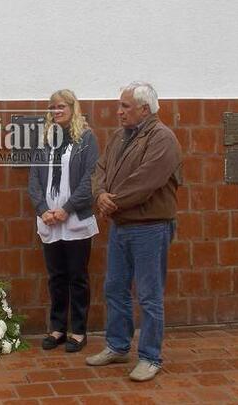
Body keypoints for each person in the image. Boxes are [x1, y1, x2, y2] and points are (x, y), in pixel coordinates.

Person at [85, 81, 181, 381]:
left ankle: (150, 357)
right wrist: (99, 194)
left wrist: (111, 203)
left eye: (125, 106)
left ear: (144, 108)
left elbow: (145, 182)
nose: (119, 112)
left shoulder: (163, 139)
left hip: (150, 228)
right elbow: (99, 169)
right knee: (115, 288)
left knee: (149, 295)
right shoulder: (119, 136)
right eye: (120, 106)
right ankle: (117, 345)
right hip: (122, 226)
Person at [28, 89, 99, 353]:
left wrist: (67, 208)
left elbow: (91, 178)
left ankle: (78, 331)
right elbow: (34, 179)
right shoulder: (45, 140)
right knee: (56, 277)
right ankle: (57, 328)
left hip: (74, 219)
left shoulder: (86, 139)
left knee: (77, 277)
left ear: (73, 108)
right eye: (52, 107)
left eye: (61, 106)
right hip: (49, 220)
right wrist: (42, 208)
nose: (56, 111)